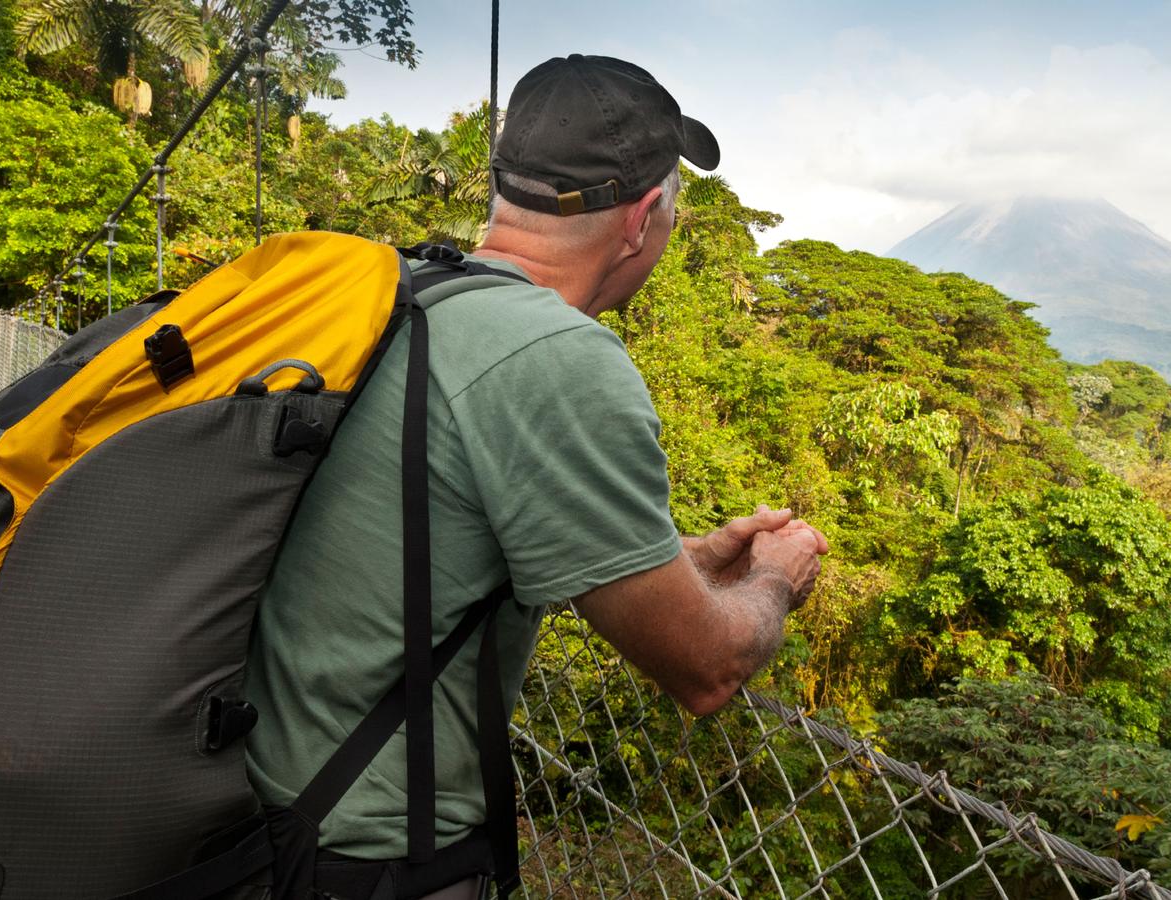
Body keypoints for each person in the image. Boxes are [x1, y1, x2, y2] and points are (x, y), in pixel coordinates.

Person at [243, 54, 829, 899]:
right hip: (370, 860)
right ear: (641, 221)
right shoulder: (557, 360)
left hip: (262, 815)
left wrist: (692, 561)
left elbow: (455, 547)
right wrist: (775, 576)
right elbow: (706, 670)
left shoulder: (408, 298)